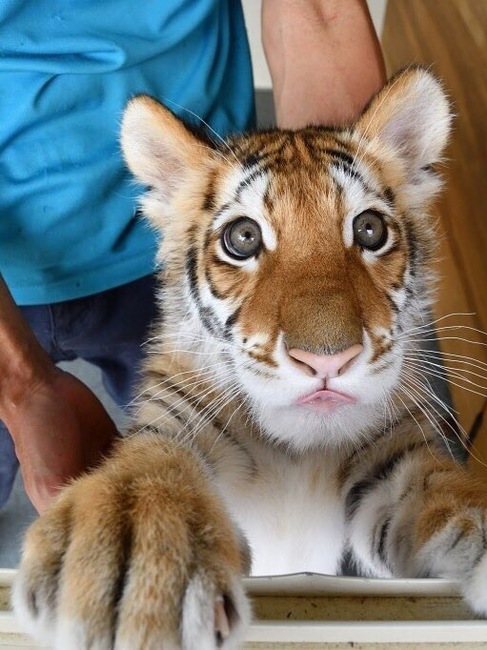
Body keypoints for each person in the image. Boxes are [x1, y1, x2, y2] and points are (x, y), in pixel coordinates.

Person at [0, 0, 386, 514]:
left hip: (199, 241)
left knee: (230, 493)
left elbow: (317, 9)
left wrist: (333, 248)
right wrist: (21, 386)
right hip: (16, 270)